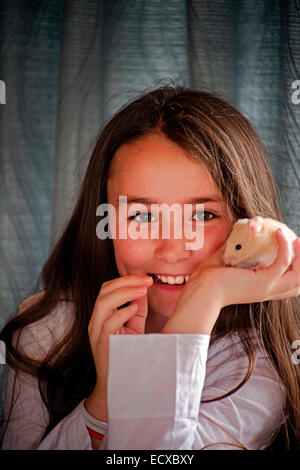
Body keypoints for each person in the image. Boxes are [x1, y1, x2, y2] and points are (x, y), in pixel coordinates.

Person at [1, 84, 300, 450]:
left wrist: (205, 297)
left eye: (203, 215)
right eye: (142, 215)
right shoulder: (46, 332)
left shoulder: (255, 369)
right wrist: (105, 399)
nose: (172, 249)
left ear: (246, 224)